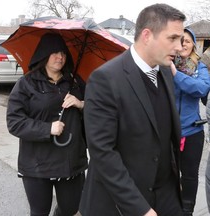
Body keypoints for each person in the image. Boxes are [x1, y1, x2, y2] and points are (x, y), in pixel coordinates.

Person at [79, 4, 186, 216]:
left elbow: (164, 135)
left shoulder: (165, 72)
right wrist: (141, 208)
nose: (179, 47)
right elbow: (102, 152)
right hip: (121, 202)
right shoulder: (105, 79)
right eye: (172, 38)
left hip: (166, 196)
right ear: (147, 35)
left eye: (180, 39)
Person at [6, 33, 88, 216]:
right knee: (39, 211)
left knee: (70, 209)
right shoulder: (26, 84)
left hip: (70, 161)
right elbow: (14, 121)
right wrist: (47, 128)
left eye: (63, 53)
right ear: (44, 54)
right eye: (55, 53)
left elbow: (98, 110)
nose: (60, 57)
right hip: (37, 163)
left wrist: (81, 104)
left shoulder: (75, 82)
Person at [171, 28, 210, 215]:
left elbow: (201, 89)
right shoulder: (166, 64)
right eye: (180, 40)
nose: (183, 44)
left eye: (187, 40)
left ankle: (187, 210)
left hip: (192, 133)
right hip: (168, 131)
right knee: (168, 174)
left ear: (193, 43)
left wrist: (176, 75)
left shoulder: (199, 67)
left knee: (189, 176)